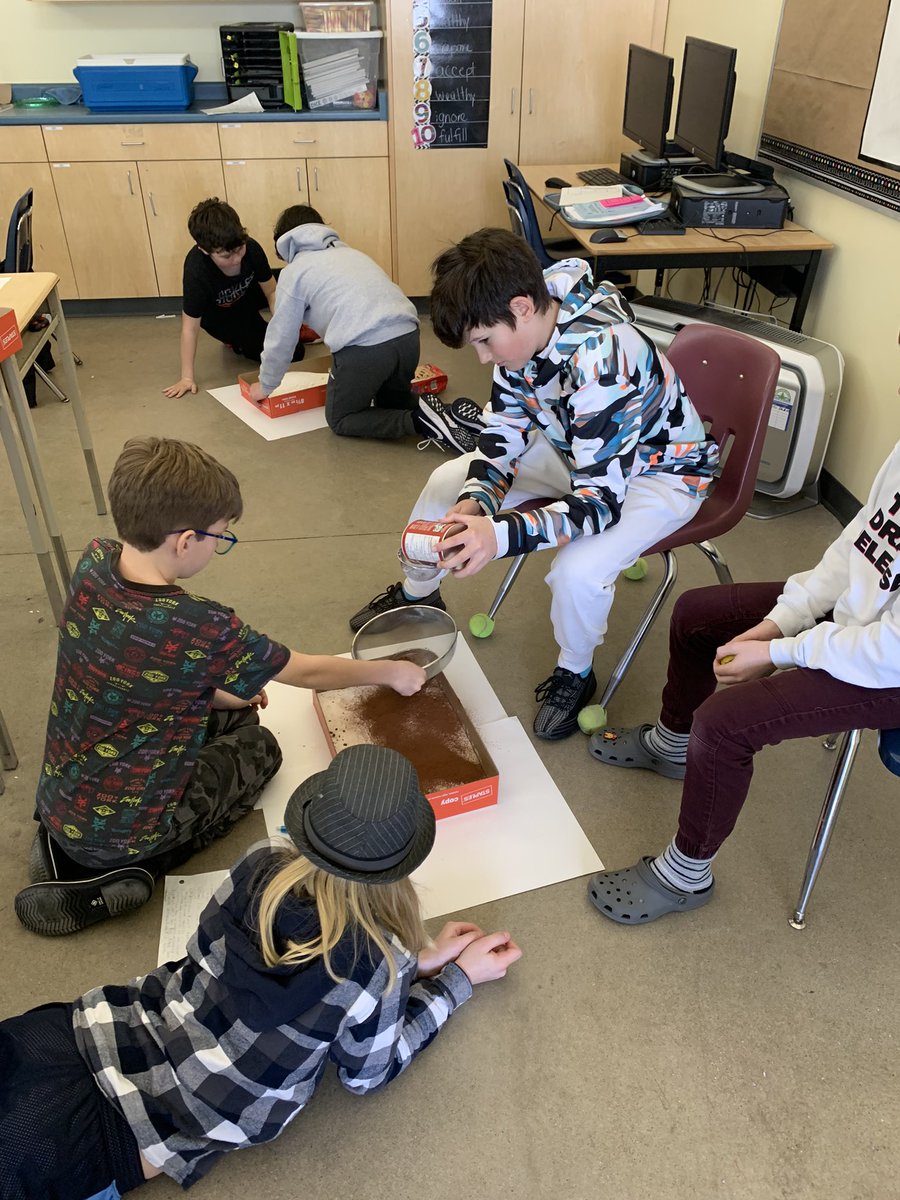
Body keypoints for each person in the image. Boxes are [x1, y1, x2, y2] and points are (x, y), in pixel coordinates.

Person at [0, 744, 523, 1198]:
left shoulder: (259, 862)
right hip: (112, 1135)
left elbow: (205, 954)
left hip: (83, 1031)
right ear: (403, 861)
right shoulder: (377, 967)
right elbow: (367, 1075)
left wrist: (409, 969)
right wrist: (454, 982)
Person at [15, 437, 426, 938]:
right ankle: (132, 869)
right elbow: (305, 673)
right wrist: (390, 672)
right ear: (186, 540)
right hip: (124, 828)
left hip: (62, 792)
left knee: (239, 710)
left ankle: (65, 846)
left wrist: (220, 692)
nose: (220, 545)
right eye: (220, 537)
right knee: (261, 748)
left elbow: (129, 666)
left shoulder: (95, 559)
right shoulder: (199, 624)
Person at [349, 228, 719, 740]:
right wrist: (476, 502)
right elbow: (504, 432)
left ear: (522, 308)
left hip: (659, 474)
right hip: (577, 450)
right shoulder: (523, 331)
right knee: (446, 481)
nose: (483, 359)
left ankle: (576, 671)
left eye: (484, 341)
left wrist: (497, 535)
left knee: (577, 570)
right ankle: (421, 594)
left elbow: (598, 505)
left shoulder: (605, 357)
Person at [587, 438, 900, 924]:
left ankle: (686, 876)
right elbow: (859, 544)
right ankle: (672, 746)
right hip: (860, 623)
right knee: (696, 615)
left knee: (723, 726)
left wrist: (780, 651)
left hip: (890, 669)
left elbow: (890, 651)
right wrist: (782, 621)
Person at [246, 204, 481, 452]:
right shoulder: (354, 254)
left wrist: (266, 385)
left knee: (341, 418)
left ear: (284, 244)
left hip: (365, 349)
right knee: (392, 401)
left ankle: (421, 422)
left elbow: (281, 338)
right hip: (408, 336)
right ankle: (451, 415)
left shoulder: (294, 273)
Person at [162, 198, 306, 399]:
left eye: (239, 250)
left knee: (291, 278)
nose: (236, 259)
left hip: (246, 295)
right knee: (295, 352)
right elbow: (190, 328)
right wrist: (187, 377)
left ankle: (297, 326)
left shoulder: (251, 248)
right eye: (226, 256)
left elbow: (272, 292)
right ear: (204, 250)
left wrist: (283, 325)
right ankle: (235, 341)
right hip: (222, 315)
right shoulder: (197, 270)